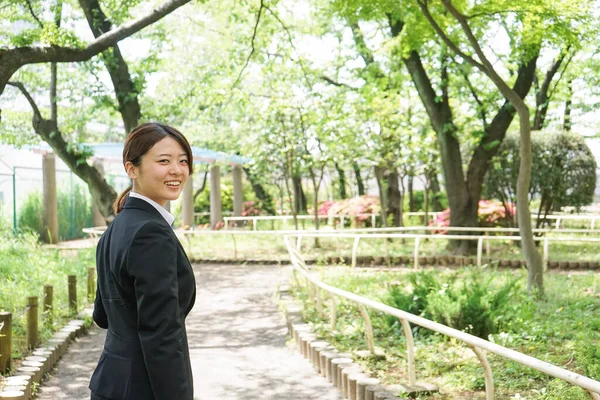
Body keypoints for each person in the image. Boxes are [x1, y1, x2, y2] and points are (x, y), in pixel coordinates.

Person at [89, 122, 196, 400]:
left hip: (110, 384)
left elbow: (102, 315)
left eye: (183, 161)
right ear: (132, 169)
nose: (176, 169)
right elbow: (161, 333)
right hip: (143, 388)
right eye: (164, 161)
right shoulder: (151, 232)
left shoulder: (117, 226)